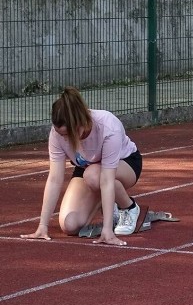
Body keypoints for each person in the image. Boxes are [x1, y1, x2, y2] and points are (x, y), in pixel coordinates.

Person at [20, 86, 143, 246]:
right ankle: (108, 204)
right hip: (88, 168)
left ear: (79, 125)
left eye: (66, 134)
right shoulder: (56, 134)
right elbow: (54, 179)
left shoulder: (107, 126)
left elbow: (106, 179)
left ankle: (129, 208)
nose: (62, 138)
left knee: (93, 176)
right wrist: (43, 226)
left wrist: (107, 229)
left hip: (124, 164)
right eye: (59, 133)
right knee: (69, 225)